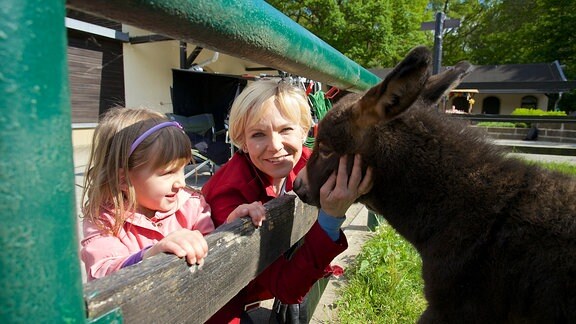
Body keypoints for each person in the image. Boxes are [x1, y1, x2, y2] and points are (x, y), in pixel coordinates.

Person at [201, 80, 373, 323]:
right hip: (222, 306)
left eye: (285, 130)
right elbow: (287, 288)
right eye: (258, 134)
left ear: (305, 131)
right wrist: (330, 219)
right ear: (242, 140)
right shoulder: (230, 195)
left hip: (264, 284)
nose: (275, 146)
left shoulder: (305, 160)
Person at [80, 107, 265, 281]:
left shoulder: (190, 205)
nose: (181, 183)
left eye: (182, 170)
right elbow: (103, 272)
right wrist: (151, 255)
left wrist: (230, 225)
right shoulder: (104, 221)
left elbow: (209, 246)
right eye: (168, 172)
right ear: (123, 179)